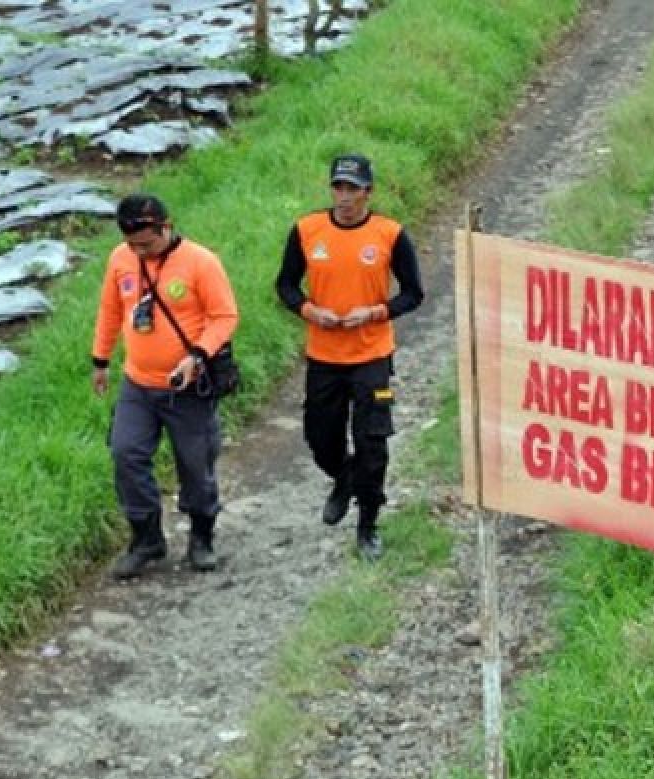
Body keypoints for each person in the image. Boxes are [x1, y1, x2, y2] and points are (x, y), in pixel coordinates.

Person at [275, 154, 424, 560]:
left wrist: (374, 312)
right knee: (320, 437)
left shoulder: (389, 234)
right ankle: (343, 475)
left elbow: (413, 293)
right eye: (338, 187)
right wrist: (309, 310)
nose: (344, 197)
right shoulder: (308, 230)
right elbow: (286, 284)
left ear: (367, 192)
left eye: (352, 189)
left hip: (371, 354)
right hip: (324, 354)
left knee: (372, 440)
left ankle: (368, 523)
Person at [92, 194, 239, 578]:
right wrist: (101, 360)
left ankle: (201, 537)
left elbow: (224, 317)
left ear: (165, 227)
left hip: (187, 387)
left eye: (147, 244)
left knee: (195, 465)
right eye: (132, 245)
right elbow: (110, 310)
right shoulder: (120, 260)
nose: (139, 252)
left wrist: (198, 355)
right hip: (137, 384)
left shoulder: (200, 263)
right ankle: (146, 539)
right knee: (126, 453)